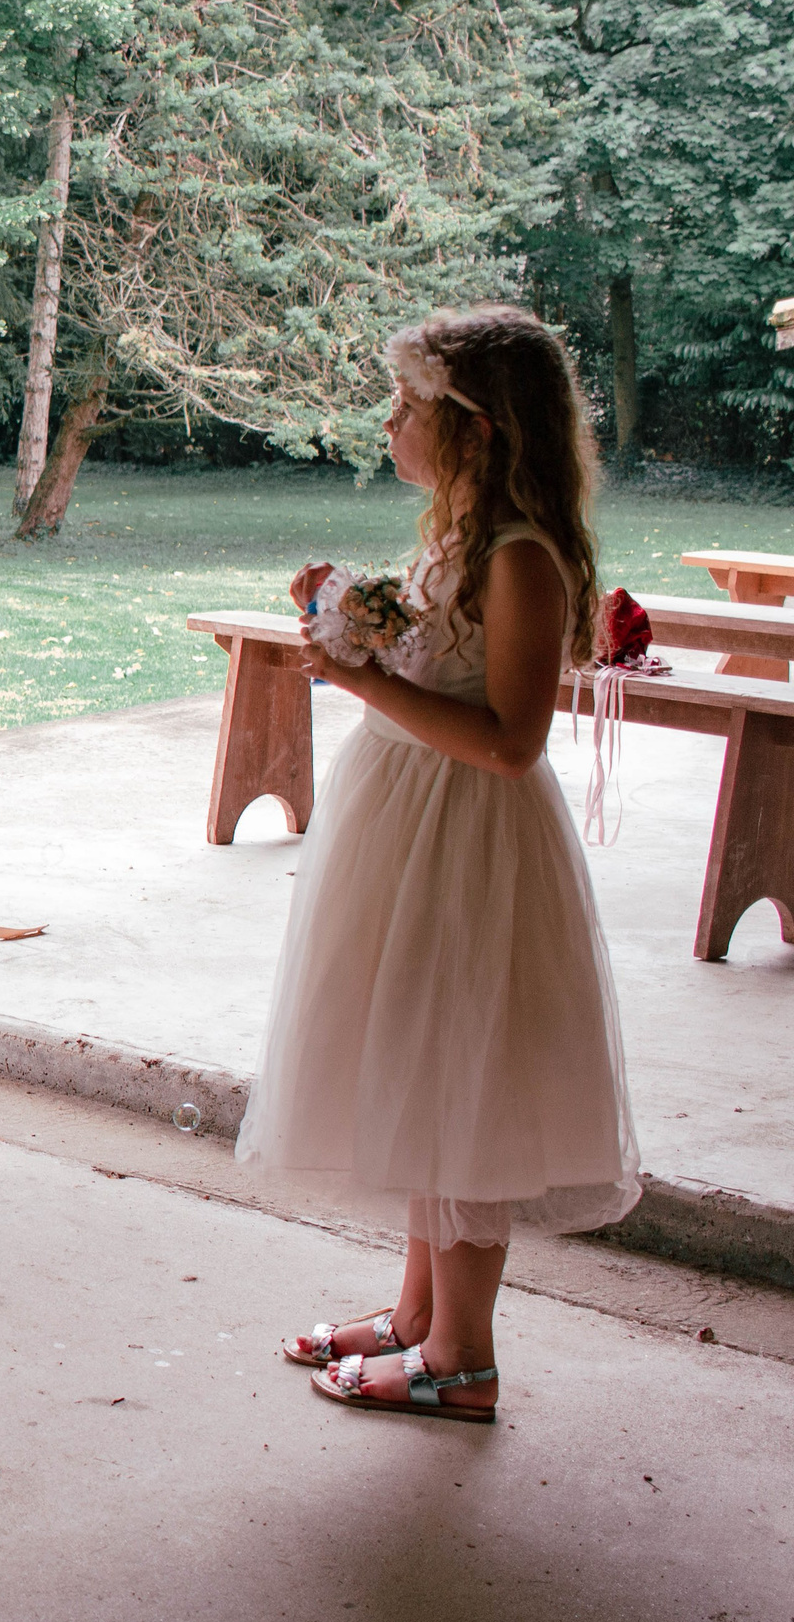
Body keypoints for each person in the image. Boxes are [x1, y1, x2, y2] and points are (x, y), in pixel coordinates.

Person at [241, 306, 639, 1424]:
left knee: (464, 1073)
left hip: (469, 842)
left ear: (478, 429)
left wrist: (362, 681)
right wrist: (349, 619)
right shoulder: (455, 538)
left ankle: (463, 1356)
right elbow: (432, 663)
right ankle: (418, 1313)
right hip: (409, 828)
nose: (388, 421)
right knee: (422, 1062)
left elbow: (510, 742)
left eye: (409, 406)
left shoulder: (519, 557)